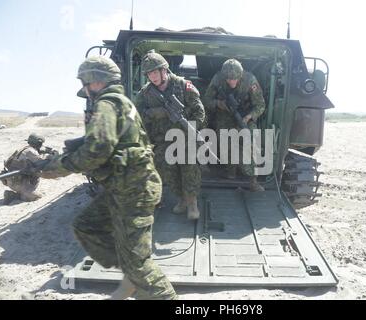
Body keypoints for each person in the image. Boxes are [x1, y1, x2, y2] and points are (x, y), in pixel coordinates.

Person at [40, 55, 177, 300]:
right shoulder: (122, 103)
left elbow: (98, 150)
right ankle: (131, 273)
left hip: (134, 191)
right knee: (86, 225)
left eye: (85, 82)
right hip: (123, 188)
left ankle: (146, 282)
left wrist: (58, 167)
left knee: (138, 263)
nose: (84, 88)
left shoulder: (107, 103)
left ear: (95, 81)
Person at [134, 51, 205, 220]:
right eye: (149, 73)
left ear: (164, 70)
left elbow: (199, 111)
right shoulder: (145, 94)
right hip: (162, 139)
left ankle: (192, 202)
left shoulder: (183, 85)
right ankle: (181, 200)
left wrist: (192, 129)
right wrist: (155, 113)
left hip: (185, 136)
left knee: (189, 166)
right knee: (167, 169)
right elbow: (137, 117)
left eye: (155, 72)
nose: (153, 76)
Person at [203, 58, 266, 192]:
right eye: (228, 79)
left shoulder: (250, 80)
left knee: (251, 143)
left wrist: (248, 117)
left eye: (235, 79)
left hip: (245, 116)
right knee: (227, 144)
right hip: (224, 115)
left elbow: (260, 105)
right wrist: (219, 104)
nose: (231, 82)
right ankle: (230, 173)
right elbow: (206, 100)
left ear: (241, 75)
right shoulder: (218, 79)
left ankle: (252, 180)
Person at [1, 133, 48, 204]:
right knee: (37, 196)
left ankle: (14, 194)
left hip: (10, 181)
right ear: (38, 143)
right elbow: (41, 163)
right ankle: (15, 195)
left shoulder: (23, 149)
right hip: (19, 183)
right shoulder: (31, 151)